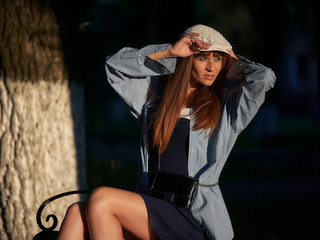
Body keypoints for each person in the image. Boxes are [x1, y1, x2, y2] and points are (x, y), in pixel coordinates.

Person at [57, 24, 276, 240]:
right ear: (187, 57)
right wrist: (170, 52)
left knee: (102, 199)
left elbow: (264, 77)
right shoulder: (152, 98)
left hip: (191, 216)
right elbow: (114, 65)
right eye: (202, 57)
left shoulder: (226, 107)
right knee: (77, 212)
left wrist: (232, 63)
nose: (211, 67)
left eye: (217, 58)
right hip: (151, 205)